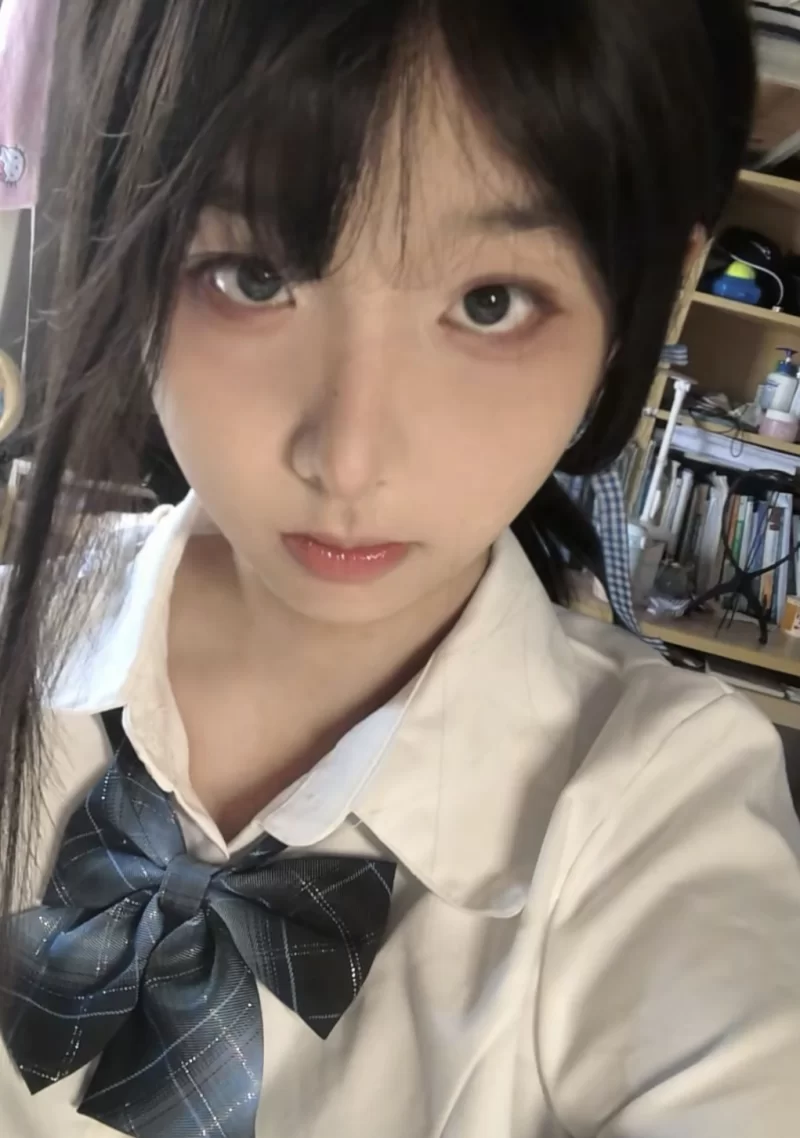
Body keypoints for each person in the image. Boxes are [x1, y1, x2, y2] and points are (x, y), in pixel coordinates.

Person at [0, 2, 799, 1135]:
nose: (349, 457)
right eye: (252, 276)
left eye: (488, 302)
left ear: (642, 297)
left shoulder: (658, 812)